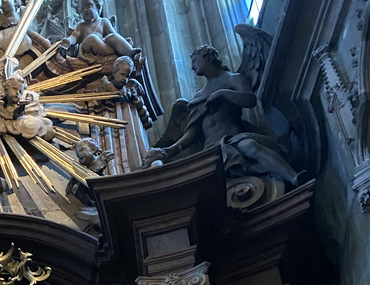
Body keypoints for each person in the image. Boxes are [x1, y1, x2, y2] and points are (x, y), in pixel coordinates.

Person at [142, 44, 303, 185]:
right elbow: (192, 132)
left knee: (249, 146)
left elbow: (250, 100)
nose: (192, 66)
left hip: (234, 138)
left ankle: (294, 177)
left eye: (194, 61)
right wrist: (170, 150)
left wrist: (222, 93)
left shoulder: (233, 79)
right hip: (210, 149)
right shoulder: (198, 97)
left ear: (206, 57)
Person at [60, 0, 140, 61]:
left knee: (112, 37)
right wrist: (68, 41)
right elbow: (74, 36)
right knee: (92, 38)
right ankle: (117, 52)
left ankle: (129, 51)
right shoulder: (81, 26)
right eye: (82, 9)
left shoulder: (104, 21)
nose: (85, 10)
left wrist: (122, 42)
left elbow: (113, 35)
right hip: (88, 47)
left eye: (89, 6)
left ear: (97, 7)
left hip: (102, 47)